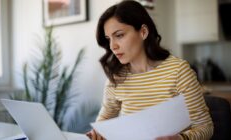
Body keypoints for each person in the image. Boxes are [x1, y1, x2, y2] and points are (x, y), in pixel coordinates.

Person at [87, 1, 213, 140]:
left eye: (119, 35)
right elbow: (104, 120)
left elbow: (205, 127)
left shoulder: (178, 71)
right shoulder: (116, 78)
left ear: (143, 32)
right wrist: (97, 134)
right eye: (108, 39)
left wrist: (181, 138)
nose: (112, 46)